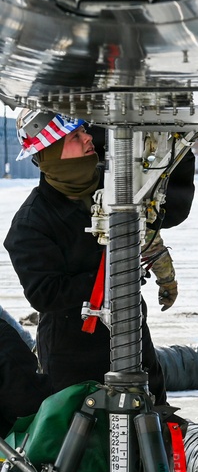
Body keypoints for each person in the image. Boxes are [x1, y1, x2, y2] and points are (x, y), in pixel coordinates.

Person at [3, 111, 181, 404]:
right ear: (53, 153)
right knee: (82, 432)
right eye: (75, 136)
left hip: (135, 345)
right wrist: (112, 279)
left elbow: (153, 227)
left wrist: (165, 275)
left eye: (84, 131)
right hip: (74, 362)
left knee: (155, 420)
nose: (88, 138)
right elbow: (45, 293)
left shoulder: (117, 190)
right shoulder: (31, 223)